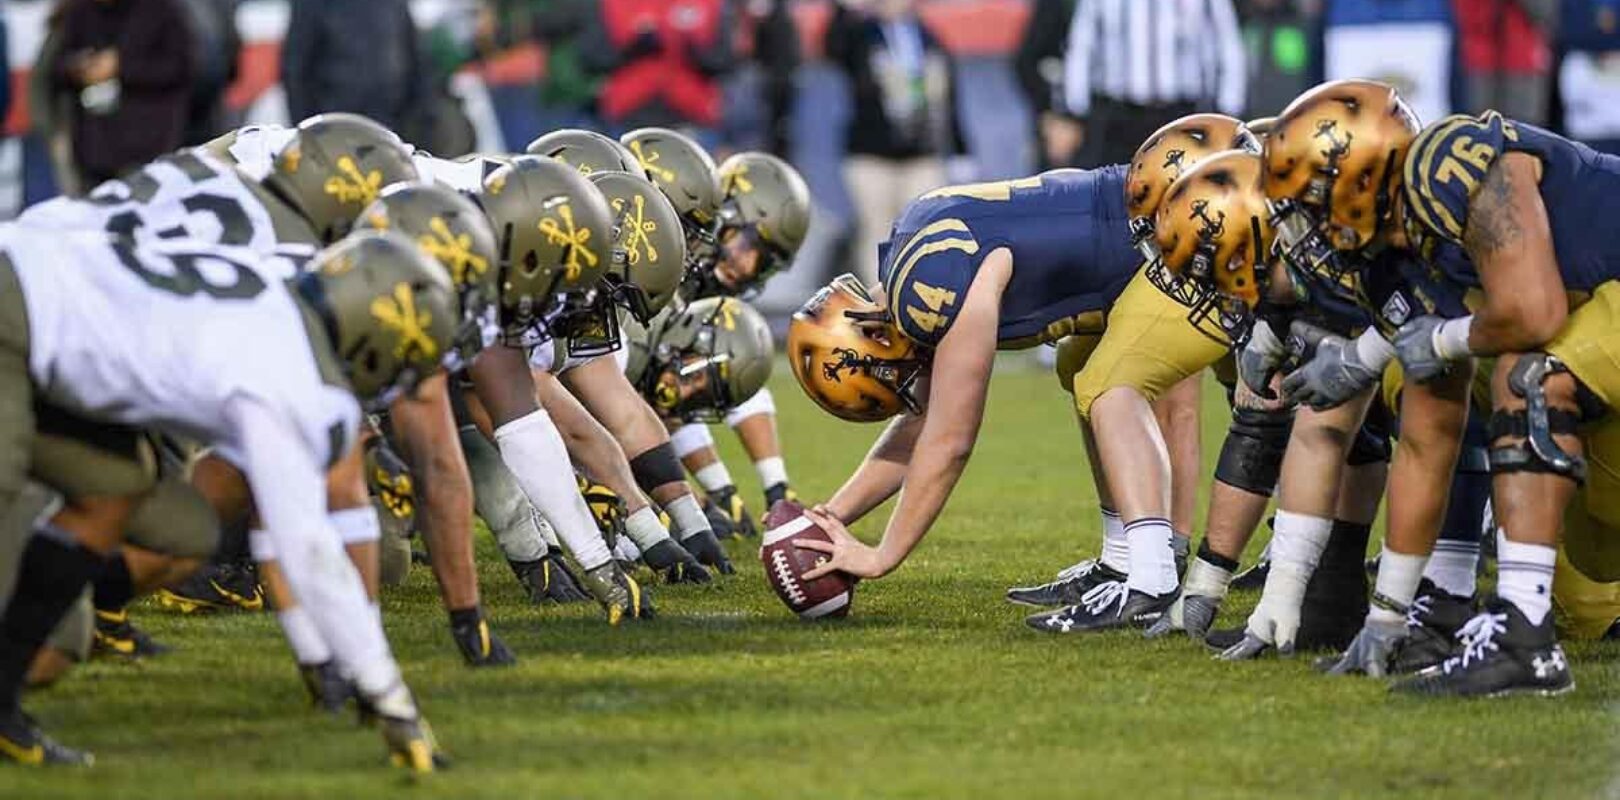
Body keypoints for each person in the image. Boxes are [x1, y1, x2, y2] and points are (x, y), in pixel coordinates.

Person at [0, 229, 456, 769]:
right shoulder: (287, 375)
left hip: (46, 319)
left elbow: (275, 511)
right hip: (22, 312)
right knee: (52, 637)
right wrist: (388, 694)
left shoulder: (274, 284)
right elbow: (306, 547)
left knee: (158, 516)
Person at [783, 149, 1230, 633]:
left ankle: (1150, 578)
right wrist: (829, 518)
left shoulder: (933, 286)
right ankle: (1124, 561)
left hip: (1183, 232)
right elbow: (920, 431)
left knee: (1110, 384)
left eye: (893, 384)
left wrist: (882, 556)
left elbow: (950, 440)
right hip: (1157, 215)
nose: (906, 388)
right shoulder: (911, 251)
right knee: (1081, 365)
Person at [825, 0, 959, 286]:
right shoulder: (861, 34)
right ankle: (879, 303)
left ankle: (917, 302)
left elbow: (950, 97)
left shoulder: (927, 36)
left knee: (923, 233)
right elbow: (834, 46)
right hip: (872, 154)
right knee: (877, 234)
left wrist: (961, 150)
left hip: (921, 154)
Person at [1062, 0, 1246, 169]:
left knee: (1179, 194)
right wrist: (1074, 114)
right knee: (1117, 193)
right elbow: (1081, 48)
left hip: (1179, 115)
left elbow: (1227, 46)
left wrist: (1228, 114)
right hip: (1118, 118)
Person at [45, 0, 195, 187]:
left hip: (148, 146)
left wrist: (121, 67)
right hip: (93, 149)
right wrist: (80, 68)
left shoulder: (163, 10)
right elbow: (53, 69)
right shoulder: (78, 11)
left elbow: (181, 68)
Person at [581, 0, 738, 136]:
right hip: (628, 108)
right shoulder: (614, 4)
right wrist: (632, 47)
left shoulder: (711, 4)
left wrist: (693, 51)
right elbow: (592, 58)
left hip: (692, 110)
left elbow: (726, 61)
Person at [282, 0, 425, 133]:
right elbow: (295, 70)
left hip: (390, 123)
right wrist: (308, 130)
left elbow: (413, 58)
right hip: (335, 125)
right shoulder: (313, 4)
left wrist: (417, 119)